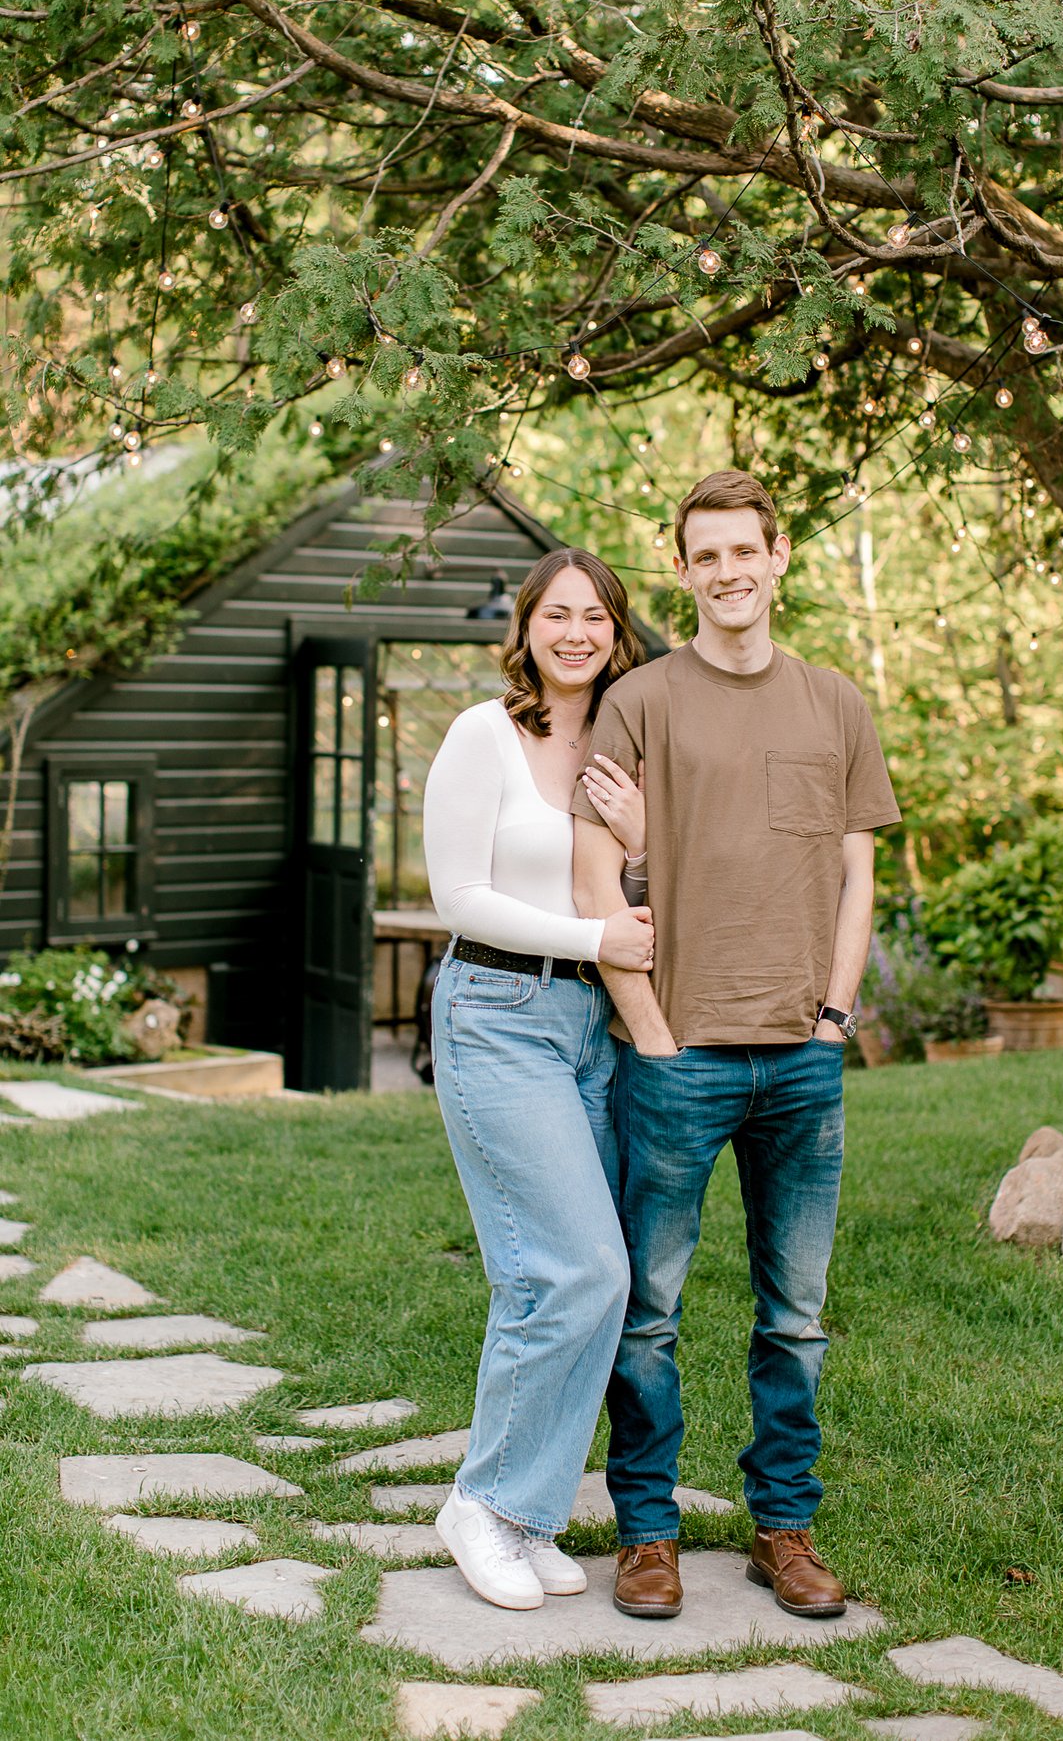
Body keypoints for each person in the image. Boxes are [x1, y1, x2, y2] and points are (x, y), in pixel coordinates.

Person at [572, 469, 901, 1621]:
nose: (727, 573)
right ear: (684, 571)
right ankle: (648, 1532)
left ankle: (784, 1528)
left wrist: (834, 1015)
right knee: (647, 1309)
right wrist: (652, 1037)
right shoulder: (642, 703)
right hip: (677, 1058)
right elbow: (597, 875)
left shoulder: (836, 704)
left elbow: (857, 871)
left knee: (795, 1315)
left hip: (803, 1058)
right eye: (703, 556)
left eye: (743, 551)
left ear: (781, 554)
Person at [422, 547, 656, 1611]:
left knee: (581, 1278)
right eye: (556, 615)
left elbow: (645, 889)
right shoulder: (485, 734)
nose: (576, 633)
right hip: (496, 1013)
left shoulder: (623, 744)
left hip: (587, 1026)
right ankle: (481, 1503)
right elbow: (459, 897)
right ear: (527, 629)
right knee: (573, 1270)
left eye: (595, 616)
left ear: (617, 631)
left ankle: (525, 1513)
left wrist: (642, 848)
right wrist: (590, 930)